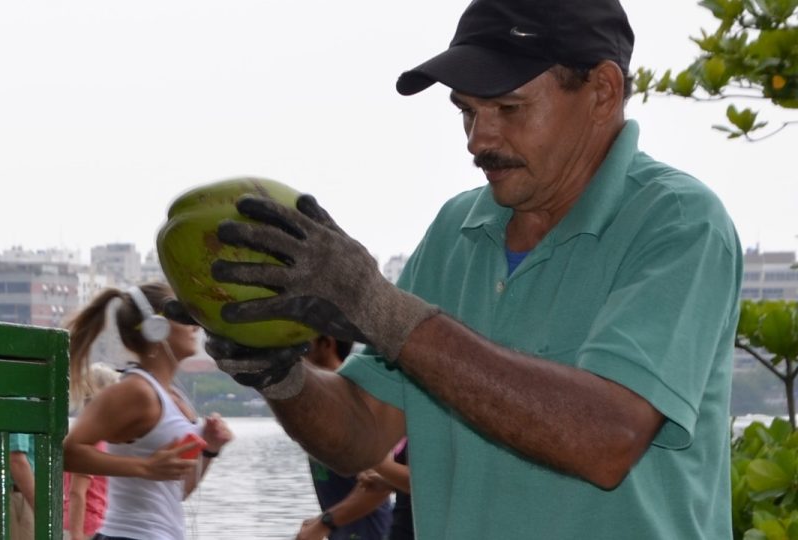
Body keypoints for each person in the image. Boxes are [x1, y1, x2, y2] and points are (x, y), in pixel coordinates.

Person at [165, 0, 744, 537]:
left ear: (602, 91)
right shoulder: (456, 229)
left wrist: (378, 306)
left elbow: (604, 438)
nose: (478, 139)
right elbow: (363, 432)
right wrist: (279, 377)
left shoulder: (680, 223)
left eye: (508, 108)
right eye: (466, 111)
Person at [63, 282, 234, 540]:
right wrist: (145, 467)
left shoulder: (174, 397)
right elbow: (67, 453)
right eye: (184, 315)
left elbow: (176, 492)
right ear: (157, 327)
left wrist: (210, 449)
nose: (196, 325)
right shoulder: (136, 392)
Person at [296, 336, 393, 540]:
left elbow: (381, 486)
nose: (296, 347)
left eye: (304, 341)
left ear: (327, 343)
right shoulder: (318, 403)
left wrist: (324, 523)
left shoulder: (354, 399)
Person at [63, 362, 121, 540]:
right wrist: (76, 536)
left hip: (88, 525)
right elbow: (77, 492)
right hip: (86, 528)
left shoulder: (85, 432)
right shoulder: (91, 437)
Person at [0, 432, 35, 540]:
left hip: (12, 494)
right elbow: (15, 459)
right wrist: (41, 508)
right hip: (19, 496)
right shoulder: (18, 415)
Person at [358, 440, 413, 540]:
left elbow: (421, 482)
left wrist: (375, 462)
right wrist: (388, 483)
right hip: (401, 528)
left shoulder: (427, 428)